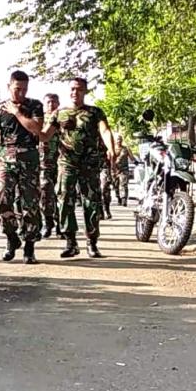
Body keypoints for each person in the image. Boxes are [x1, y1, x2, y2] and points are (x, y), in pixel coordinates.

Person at [44, 77, 117, 259]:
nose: (75, 92)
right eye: (72, 89)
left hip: (89, 164)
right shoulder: (59, 114)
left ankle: (92, 243)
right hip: (67, 163)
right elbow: (45, 135)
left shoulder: (95, 112)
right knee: (64, 200)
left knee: (91, 202)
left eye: (79, 89)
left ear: (85, 91)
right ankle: (70, 242)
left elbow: (105, 131)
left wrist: (112, 149)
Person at [0, 71, 43, 264]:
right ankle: (11, 237)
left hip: (29, 158)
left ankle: (29, 246)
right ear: (9, 86)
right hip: (6, 158)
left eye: (24, 89)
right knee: (0, 198)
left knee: (30, 205)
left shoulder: (34, 105)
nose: (21, 93)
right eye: (17, 88)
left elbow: (37, 129)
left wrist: (17, 112)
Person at [40, 92, 62, 239]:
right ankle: (48, 223)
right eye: (48, 102)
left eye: (54, 102)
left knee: (61, 194)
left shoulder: (63, 118)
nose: (51, 104)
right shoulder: (38, 118)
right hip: (44, 163)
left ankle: (61, 225)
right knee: (45, 193)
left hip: (61, 161)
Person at [114, 135, 133, 206]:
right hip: (114, 170)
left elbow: (132, 158)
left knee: (123, 184)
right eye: (117, 139)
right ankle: (118, 198)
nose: (119, 141)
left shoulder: (126, 149)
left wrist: (136, 162)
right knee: (115, 185)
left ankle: (124, 200)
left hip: (124, 170)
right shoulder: (112, 148)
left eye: (120, 139)